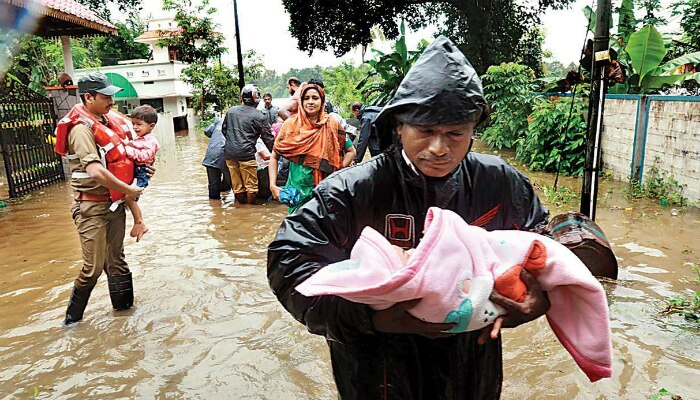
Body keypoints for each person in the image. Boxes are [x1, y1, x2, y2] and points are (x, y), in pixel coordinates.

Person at [267, 37, 551, 399]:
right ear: (399, 126)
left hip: (471, 361)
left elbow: (546, 242)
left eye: (455, 133)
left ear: (472, 131)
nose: (439, 148)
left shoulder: (498, 181)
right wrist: (371, 318)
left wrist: (537, 298)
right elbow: (287, 262)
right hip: (375, 367)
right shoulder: (352, 190)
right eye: (426, 131)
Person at [54, 72, 144, 325]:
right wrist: (129, 190)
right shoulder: (80, 129)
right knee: (92, 269)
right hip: (91, 206)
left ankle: (124, 319)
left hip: (114, 204)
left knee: (117, 262)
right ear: (88, 97)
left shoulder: (107, 122)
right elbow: (95, 170)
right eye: (106, 97)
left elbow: (122, 158)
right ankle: (71, 323)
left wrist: (140, 171)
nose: (112, 102)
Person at [268, 83, 356, 213]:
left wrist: (337, 172)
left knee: (324, 229)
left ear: (322, 101)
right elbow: (274, 156)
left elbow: (351, 151)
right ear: (301, 101)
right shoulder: (290, 125)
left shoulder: (332, 124)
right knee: (297, 228)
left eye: (315, 98)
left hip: (325, 190)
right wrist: (272, 185)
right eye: (306, 98)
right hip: (297, 190)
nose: (310, 102)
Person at [222, 84, 274, 205]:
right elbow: (268, 139)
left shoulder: (231, 111)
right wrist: (276, 154)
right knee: (251, 187)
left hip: (229, 154)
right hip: (246, 155)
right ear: (256, 98)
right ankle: (249, 209)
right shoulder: (259, 116)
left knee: (237, 186)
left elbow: (224, 130)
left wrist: (233, 142)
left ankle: (241, 208)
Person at [123, 105, 160, 242]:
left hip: (142, 172)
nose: (135, 127)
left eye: (139, 124)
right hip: (137, 171)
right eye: (133, 124)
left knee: (129, 196)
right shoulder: (140, 138)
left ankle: (139, 222)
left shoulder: (151, 141)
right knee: (127, 196)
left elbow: (144, 157)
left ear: (151, 126)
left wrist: (127, 150)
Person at [202, 117, 232, 200]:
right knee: (233, 184)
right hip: (228, 156)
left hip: (211, 156)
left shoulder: (219, 121)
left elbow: (207, 131)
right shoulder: (237, 122)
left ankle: (215, 208)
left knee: (213, 186)